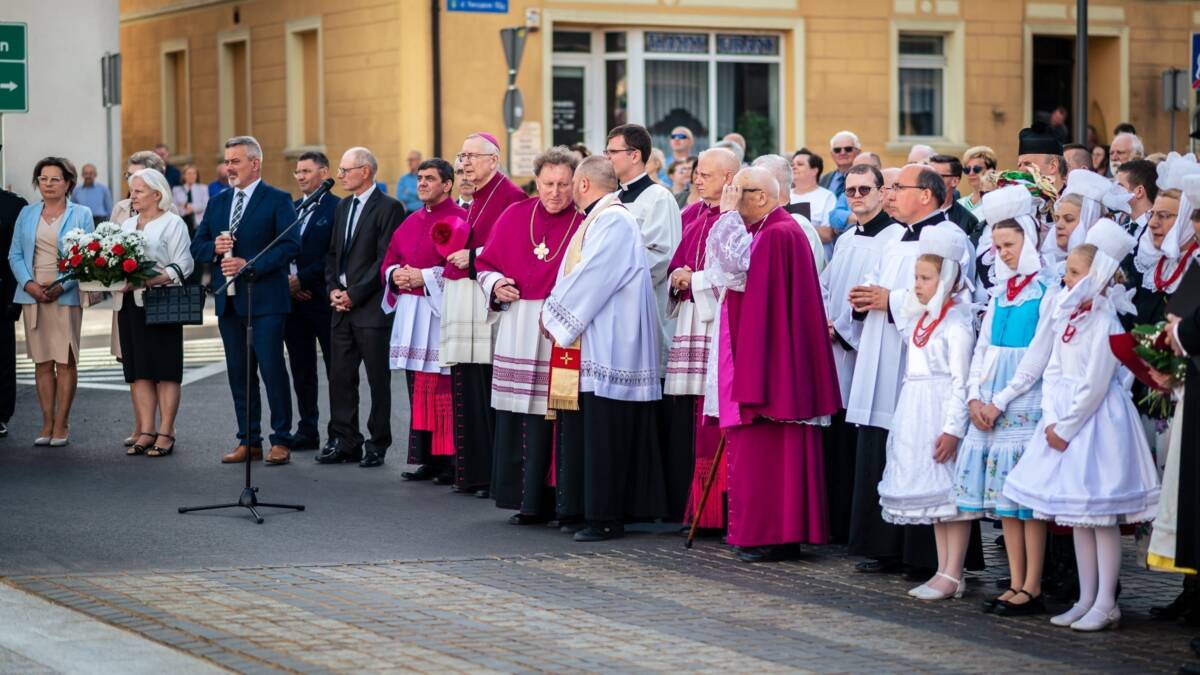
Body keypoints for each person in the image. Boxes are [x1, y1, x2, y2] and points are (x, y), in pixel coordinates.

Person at [1003, 220, 1160, 632]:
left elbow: (1094, 384)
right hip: (1064, 418)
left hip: (1096, 423)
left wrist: (1067, 425)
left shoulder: (1106, 319)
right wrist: (1052, 417)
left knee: (1099, 516)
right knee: (1077, 515)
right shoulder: (1067, 314)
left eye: (1074, 272)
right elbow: (1053, 367)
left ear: (1097, 277)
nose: (1066, 278)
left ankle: (1107, 600)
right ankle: (1085, 597)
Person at [845, 164, 980, 576]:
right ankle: (886, 545)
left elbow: (955, 294)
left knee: (925, 454)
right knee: (889, 446)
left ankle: (927, 557)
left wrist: (893, 299)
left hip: (921, 361)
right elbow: (881, 285)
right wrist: (865, 298)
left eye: (897, 187)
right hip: (880, 347)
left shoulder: (948, 238)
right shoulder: (896, 237)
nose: (889, 194)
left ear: (926, 194)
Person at [703, 166, 840, 562]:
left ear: (761, 197)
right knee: (762, 455)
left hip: (773, 366)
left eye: (738, 191)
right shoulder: (768, 229)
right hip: (767, 358)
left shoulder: (779, 233)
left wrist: (725, 216)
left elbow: (733, 270)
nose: (731, 197)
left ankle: (772, 535)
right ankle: (766, 533)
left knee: (771, 456)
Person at [542, 155, 666, 541]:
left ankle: (606, 516)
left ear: (582, 185)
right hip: (594, 338)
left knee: (604, 434)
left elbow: (594, 278)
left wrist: (554, 315)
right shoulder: (600, 218)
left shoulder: (613, 219)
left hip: (611, 343)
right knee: (588, 429)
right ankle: (581, 509)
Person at [955, 186, 1060, 617]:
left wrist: (1000, 398)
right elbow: (982, 347)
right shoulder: (999, 292)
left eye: (1011, 245)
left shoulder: (1047, 289)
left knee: (1027, 501)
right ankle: (1015, 581)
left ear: (1030, 242)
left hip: (1023, 398)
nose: (1005, 253)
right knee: (1006, 502)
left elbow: (1037, 355)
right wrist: (975, 394)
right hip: (992, 398)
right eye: (998, 246)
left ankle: (1033, 584)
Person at [476, 147, 582, 523]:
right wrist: (497, 283)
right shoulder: (515, 214)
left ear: (576, 184)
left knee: (556, 415)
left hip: (563, 329)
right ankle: (522, 499)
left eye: (564, 184)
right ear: (536, 183)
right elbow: (485, 263)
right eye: (548, 184)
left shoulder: (585, 222)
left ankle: (558, 501)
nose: (555, 192)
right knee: (519, 414)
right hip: (520, 324)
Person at [877, 226, 975, 600]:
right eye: (916, 277)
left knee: (950, 494)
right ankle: (943, 569)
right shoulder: (921, 320)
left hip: (941, 409)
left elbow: (961, 381)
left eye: (925, 278)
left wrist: (953, 428)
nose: (917, 285)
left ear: (946, 278)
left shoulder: (958, 324)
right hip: (916, 407)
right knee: (934, 496)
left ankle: (954, 571)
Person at [191, 136, 299, 465]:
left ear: (255, 163)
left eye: (235, 161)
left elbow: (290, 245)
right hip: (229, 303)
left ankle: (281, 439)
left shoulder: (278, 199)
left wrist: (249, 265)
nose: (228, 167)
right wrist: (216, 249)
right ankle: (248, 440)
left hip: (266, 299)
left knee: (271, 370)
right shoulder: (218, 202)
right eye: (227, 161)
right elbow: (197, 247)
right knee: (239, 373)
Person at [443, 132, 527, 496]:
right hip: (465, 299)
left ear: (494, 159)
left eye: (472, 156)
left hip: (487, 302)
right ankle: (471, 471)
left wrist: (474, 257)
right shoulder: (473, 198)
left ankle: (490, 474)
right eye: (462, 156)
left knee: (485, 384)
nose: (464, 163)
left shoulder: (511, 197)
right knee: (467, 381)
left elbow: (513, 249)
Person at [313, 147, 403, 468]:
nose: (340, 175)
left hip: (371, 310)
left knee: (378, 380)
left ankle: (377, 443)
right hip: (341, 309)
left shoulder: (390, 207)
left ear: (365, 171)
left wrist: (355, 293)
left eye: (345, 170)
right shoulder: (342, 207)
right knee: (340, 377)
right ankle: (345, 440)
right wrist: (334, 290)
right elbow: (333, 254)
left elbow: (384, 259)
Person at [664, 147, 738, 528]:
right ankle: (688, 504)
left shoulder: (736, 219)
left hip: (716, 323)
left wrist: (692, 279)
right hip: (691, 320)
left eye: (705, 174)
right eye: (696, 172)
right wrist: (678, 277)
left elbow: (734, 274)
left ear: (729, 178)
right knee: (688, 414)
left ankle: (713, 511)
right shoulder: (691, 213)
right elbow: (678, 262)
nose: (696, 179)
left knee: (710, 416)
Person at [820, 163, 892, 543]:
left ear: (882, 192)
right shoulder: (846, 239)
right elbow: (828, 287)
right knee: (837, 439)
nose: (858, 196)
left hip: (870, 347)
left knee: (860, 438)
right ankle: (838, 521)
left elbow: (876, 292)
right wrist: (827, 321)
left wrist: (845, 328)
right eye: (851, 191)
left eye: (865, 189)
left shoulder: (894, 239)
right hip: (835, 348)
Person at [383, 158, 464, 483]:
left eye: (430, 178)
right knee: (419, 388)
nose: (422, 184)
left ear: (447, 184)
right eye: (420, 178)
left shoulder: (460, 219)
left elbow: (460, 267)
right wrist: (395, 275)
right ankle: (427, 459)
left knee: (443, 388)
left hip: (439, 314)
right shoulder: (411, 220)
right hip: (411, 315)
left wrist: (425, 277)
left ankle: (450, 462)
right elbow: (389, 259)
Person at [9, 157, 93, 446]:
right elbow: (15, 255)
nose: (47, 184)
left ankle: (62, 423)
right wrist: (29, 284)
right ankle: (46, 423)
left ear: (68, 182)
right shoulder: (27, 214)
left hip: (65, 293)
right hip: (33, 294)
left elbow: (87, 256)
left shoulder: (81, 213)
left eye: (54, 179)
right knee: (42, 362)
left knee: (65, 361)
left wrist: (62, 284)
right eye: (43, 179)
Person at [115, 169, 194, 457]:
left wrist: (148, 280)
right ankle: (146, 430)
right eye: (132, 190)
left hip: (162, 304)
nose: (132, 196)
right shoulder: (126, 224)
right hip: (129, 306)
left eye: (138, 191)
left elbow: (183, 265)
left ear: (157, 195)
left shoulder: (173, 223)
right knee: (139, 371)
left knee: (166, 370)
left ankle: (166, 432)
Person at [607, 123, 683, 377]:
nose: (607, 158)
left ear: (634, 155)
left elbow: (661, 257)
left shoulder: (659, 198)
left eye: (612, 152)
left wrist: (613, 280)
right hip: (613, 307)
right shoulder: (612, 197)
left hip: (642, 304)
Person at [285, 151, 338, 452]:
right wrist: (290, 284)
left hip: (323, 299)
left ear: (324, 172)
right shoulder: (293, 209)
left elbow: (333, 256)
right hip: (294, 302)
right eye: (297, 172)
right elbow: (284, 249)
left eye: (306, 170)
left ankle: (338, 430)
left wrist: (303, 280)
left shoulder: (337, 208)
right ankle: (307, 429)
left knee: (336, 369)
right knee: (301, 368)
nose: (301, 176)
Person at [754, 154, 826, 273]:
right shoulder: (760, 221)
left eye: (754, 184)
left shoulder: (800, 226)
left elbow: (804, 277)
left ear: (769, 186)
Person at [0, 187, 27, 438]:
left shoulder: (12, 205)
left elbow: (17, 255)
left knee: (3, 358)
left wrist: (13, 299)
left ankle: (1, 414)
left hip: (1, 295)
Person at [1115, 159, 1159, 281]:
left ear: (1139, 191)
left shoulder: (1156, 230)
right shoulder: (1124, 226)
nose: (1113, 192)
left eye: (1120, 187)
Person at [790, 148, 839, 256]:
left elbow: (827, 234)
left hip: (816, 261)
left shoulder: (827, 196)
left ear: (814, 171)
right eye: (792, 164)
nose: (794, 167)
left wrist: (794, 227)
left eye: (800, 164)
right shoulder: (784, 195)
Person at [929, 155, 980, 239]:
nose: (929, 181)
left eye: (937, 176)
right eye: (928, 175)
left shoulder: (968, 221)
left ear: (955, 181)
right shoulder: (912, 212)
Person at [1017, 123, 1066, 195]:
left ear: (1053, 166)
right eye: (1019, 165)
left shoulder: (1075, 203)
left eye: (1027, 164)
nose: (1020, 171)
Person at [957, 146, 997, 215]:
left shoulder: (998, 201)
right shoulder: (959, 204)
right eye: (967, 170)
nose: (971, 173)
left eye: (976, 169)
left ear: (991, 170)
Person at [819, 130, 860, 198]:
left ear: (858, 152)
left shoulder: (866, 177)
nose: (843, 153)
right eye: (837, 150)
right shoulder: (823, 179)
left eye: (848, 149)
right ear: (832, 155)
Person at [172, 165, 209, 233]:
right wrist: (185, 211)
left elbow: (205, 205)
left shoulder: (203, 188)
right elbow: (174, 207)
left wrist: (191, 208)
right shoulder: (177, 190)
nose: (191, 176)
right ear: (184, 176)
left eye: (194, 173)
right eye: (189, 173)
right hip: (182, 222)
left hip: (198, 223)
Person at [395, 150, 424, 214]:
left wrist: (409, 191)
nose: (409, 162)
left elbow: (425, 195)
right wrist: (417, 193)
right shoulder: (403, 179)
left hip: (423, 211)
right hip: (408, 212)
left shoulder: (424, 177)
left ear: (419, 161)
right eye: (408, 160)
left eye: (412, 160)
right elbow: (399, 196)